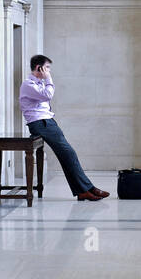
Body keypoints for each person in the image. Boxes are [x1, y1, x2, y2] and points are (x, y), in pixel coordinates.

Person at [19, 55, 110, 202]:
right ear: (39, 68)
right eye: (47, 68)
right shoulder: (28, 84)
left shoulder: (38, 83)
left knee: (67, 155)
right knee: (69, 154)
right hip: (40, 123)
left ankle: (85, 190)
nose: (49, 71)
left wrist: (46, 79)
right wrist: (48, 78)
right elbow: (48, 95)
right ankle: (87, 189)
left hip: (47, 122)